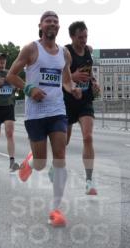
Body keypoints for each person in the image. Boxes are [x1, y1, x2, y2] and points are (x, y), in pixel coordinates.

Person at [6, 11, 81, 228]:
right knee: (40, 164)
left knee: (60, 157)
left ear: (58, 28)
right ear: (40, 25)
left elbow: (66, 80)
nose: (52, 24)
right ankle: (29, 163)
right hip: (35, 113)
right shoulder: (31, 49)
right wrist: (29, 88)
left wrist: (73, 89)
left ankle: (56, 210)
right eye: (48, 21)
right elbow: (11, 75)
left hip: (57, 110)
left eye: (56, 21)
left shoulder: (64, 54)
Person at [63, 21, 100, 196]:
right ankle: (56, 166)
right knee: (64, 142)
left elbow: (89, 72)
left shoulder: (87, 52)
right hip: (67, 101)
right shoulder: (65, 52)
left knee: (88, 137)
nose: (84, 40)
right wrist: (73, 76)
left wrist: (94, 82)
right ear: (72, 37)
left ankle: (89, 180)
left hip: (85, 100)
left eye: (85, 36)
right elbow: (59, 75)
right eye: (80, 37)